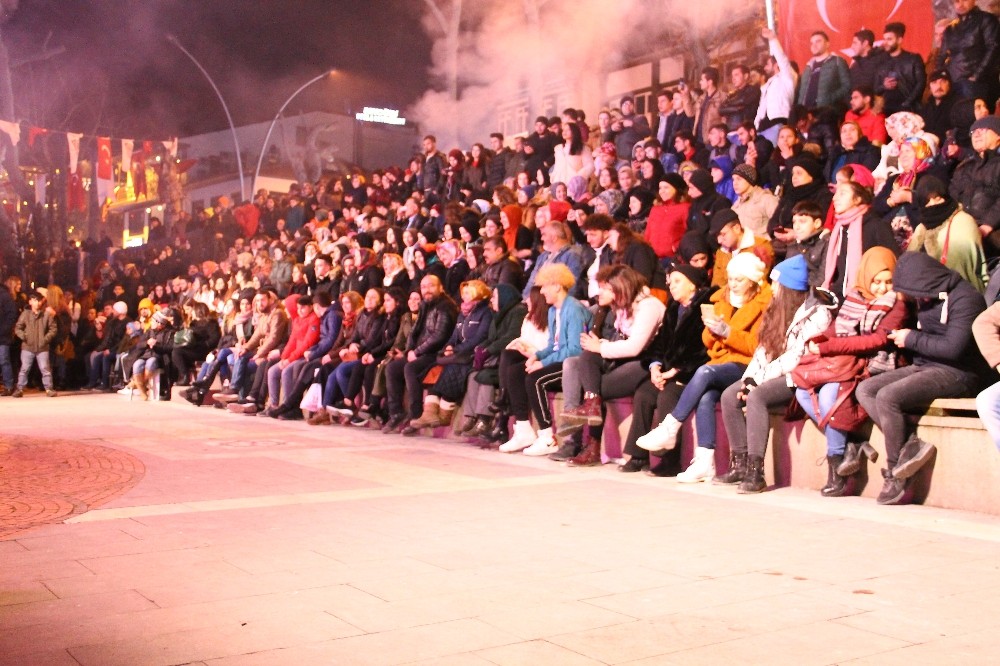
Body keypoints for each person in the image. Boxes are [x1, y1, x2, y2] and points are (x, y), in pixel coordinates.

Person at [857, 252, 988, 505]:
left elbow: (954, 348)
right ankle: (910, 445)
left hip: (959, 372)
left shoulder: (966, 299)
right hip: (925, 364)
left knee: (888, 397)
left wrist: (911, 339)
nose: (915, 298)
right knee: (866, 389)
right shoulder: (924, 297)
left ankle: (896, 473)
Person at [635, 252, 772, 482]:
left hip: (749, 365)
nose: (733, 285)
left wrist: (728, 332)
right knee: (706, 397)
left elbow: (756, 346)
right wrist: (712, 329)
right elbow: (709, 344)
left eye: (739, 280)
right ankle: (704, 462)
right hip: (722, 361)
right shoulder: (724, 299)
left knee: (705, 372)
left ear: (752, 280)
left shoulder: (764, 304)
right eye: (731, 279)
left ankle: (671, 426)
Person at [792, 247, 906, 495]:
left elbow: (876, 341)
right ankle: (851, 443)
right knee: (803, 392)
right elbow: (836, 329)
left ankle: (837, 468)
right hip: (844, 360)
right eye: (876, 281)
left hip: (872, 363)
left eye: (888, 281)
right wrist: (820, 340)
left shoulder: (898, 303)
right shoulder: (854, 297)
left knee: (829, 395)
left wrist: (830, 346)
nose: (881, 288)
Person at [716, 254, 834, 493]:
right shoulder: (776, 309)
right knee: (730, 395)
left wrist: (757, 382)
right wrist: (750, 378)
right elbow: (763, 350)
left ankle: (755, 471)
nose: (773, 290)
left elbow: (796, 357)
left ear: (789, 288)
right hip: (772, 373)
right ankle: (739, 463)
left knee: (757, 396)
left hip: (799, 376)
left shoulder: (817, 314)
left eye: (777, 285)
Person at [556, 265, 666, 464]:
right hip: (628, 359)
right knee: (586, 359)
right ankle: (590, 411)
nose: (602, 293)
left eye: (606, 288)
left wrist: (600, 347)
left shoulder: (648, 306)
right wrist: (599, 346)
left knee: (594, 387)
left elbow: (635, 347)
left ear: (620, 287)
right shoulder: (624, 306)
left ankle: (591, 440)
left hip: (648, 363)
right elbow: (618, 342)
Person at [619, 265, 715, 474]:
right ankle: (638, 455)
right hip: (666, 373)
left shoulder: (705, 308)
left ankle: (669, 461)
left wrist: (676, 371)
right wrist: (655, 367)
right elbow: (659, 345)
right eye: (670, 282)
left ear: (692, 284)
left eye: (677, 281)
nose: (671, 286)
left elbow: (703, 350)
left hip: (690, 376)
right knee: (644, 393)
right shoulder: (673, 308)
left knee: (668, 396)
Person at [499, 264, 592, 453]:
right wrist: (537, 356)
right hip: (557, 358)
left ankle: (547, 436)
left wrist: (543, 363)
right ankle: (523, 429)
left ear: (557, 286)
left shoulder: (573, 309)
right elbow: (552, 345)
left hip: (572, 365)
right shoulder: (552, 311)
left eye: (544, 286)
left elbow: (574, 350)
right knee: (516, 371)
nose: (541, 291)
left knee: (535, 379)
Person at [404, 280, 493, 435]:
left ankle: (444, 416)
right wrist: (449, 347)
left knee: (451, 370)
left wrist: (457, 349)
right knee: (435, 368)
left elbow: (480, 337)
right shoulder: (463, 313)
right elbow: (453, 336)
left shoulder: (485, 312)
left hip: (470, 355)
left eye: (467, 293)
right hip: (458, 354)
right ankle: (429, 414)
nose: (463, 297)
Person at [382, 275, 459, 433]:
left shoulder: (446, 306)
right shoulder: (425, 305)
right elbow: (414, 331)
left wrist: (416, 352)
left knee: (410, 368)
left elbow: (440, 335)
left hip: (437, 353)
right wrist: (410, 350)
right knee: (392, 368)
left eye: (431, 286)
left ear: (440, 288)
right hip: (420, 352)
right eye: (423, 287)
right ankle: (396, 413)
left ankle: (415, 416)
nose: (427, 290)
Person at [455, 283, 528, 439]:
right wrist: (480, 348)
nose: (492, 300)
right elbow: (490, 338)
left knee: (486, 376)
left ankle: (484, 419)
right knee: (473, 374)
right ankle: (472, 417)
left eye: (495, 296)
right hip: (496, 359)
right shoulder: (498, 314)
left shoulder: (518, 312)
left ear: (504, 297)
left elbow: (512, 337)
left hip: (507, 360)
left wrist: (488, 350)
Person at [908, 176, 988, 292]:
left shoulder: (963, 222)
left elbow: (963, 266)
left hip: (965, 292)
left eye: (937, 198)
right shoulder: (921, 229)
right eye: (927, 201)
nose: (933, 204)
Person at [822, 182, 897, 301]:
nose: (835, 198)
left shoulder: (876, 225)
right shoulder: (840, 228)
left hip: (866, 297)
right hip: (838, 295)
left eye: (842, 193)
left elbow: (894, 261)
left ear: (857, 199)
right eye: (836, 193)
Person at [935, 0, 1000, 103]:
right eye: (956, 1)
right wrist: (939, 78)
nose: (960, 4)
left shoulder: (986, 20)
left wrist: (976, 76)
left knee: (975, 116)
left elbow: (993, 49)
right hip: (952, 83)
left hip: (978, 84)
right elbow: (941, 56)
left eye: (964, 0)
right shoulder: (951, 29)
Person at [874, 22, 928, 115]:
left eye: (889, 39)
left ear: (899, 40)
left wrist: (907, 103)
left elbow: (921, 83)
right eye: (885, 39)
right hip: (886, 110)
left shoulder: (913, 59)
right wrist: (884, 86)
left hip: (909, 110)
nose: (885, 42)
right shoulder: (882, 62)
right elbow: (875, 88)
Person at [12, 290, 58, 398]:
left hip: (42, 347)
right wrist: (24, 337)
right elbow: (18, 328)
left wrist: (45, 339)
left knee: (45, 368)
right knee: (24, 369)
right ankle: (19, 389)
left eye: (38, 301)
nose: (37, 303)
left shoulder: (46, 315)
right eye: (35, 300)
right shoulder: (25, 314)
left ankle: (49, 389)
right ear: (30, 302)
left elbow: (53, 329)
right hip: (28, 347)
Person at [797, 31, 851, 110]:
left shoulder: (837, 61)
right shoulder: (808, 66)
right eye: (812, 43)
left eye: (818, 41)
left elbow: (847, 86)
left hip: (826, 113)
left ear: (827, 44)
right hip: (806, 114)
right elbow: (801, 92)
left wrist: (828, 99)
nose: (814, 45)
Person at [644, 173, 691, 264]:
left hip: (673, 259)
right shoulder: (655, 209)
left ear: (677, 189)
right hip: (653, 259)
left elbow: (689, 233)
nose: (662, 191)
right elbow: (648, 234)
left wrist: (677, 248)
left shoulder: (685, 208)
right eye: (660, 188)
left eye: (666, 187)